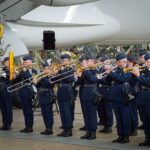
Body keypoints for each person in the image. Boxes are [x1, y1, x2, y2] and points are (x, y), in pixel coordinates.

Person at [104, 53, 132, 143]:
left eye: (119, 61)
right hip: (115, 96)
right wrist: (105, 74)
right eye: (117, 61)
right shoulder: (115, 70)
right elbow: (108, 81)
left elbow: (122, 79)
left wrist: (110, 73)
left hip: (123, 96)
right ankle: (120, 135)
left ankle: (126, 136)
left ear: (125, 61)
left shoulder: (128, 69)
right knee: (119, 118)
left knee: (125, 117)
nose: (118, 63)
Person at [75, 55, 99, 140]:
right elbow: (79, 83)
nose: (86, 63)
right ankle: (88, 131)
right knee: (86, 114)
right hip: (84, 93)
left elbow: (93, 79)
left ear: (92, 62)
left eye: (88, 61)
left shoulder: (95, 70)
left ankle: (93, 132)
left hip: (91, 93)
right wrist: (77, 77)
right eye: (86, 61)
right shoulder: (84, 71)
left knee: (92, 114)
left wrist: (86, 70)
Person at [14, 56, 37, 133]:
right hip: (21, 92)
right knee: (24, 111)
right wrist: (14, 75)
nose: (24, 64)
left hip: (28, 92)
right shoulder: (22, 71)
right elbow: (16, 81)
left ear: (30, 62)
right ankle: (27, 126)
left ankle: (30, 126)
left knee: (29, 110)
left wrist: (25, 71)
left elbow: (31, 80)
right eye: (23, 62)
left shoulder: (33, 71)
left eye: (26, 62)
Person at [131, 54, 150, 147]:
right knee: (145, 119)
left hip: (148, 96)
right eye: (146, 62)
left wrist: (138, 75)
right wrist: (135, 73)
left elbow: (148, 82)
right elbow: (136, 81)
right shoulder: (144, 70)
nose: (147, 63)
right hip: (142, 96)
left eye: (149, 62)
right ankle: (147, 138)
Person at [56, 54, 75, 137]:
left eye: (65, 61)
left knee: (67, 112)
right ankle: (64, 129)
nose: (63, 62)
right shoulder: (60, 70)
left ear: (69, 61)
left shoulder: (72, 70)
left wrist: (62, 71)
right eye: (62, 61)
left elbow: (69, 79)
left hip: (67, 91)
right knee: (62, 112)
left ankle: (69, 130)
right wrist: (54, 74)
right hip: (60, 92)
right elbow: (55, 81)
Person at [34, 62, 54, 135]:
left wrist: (44, 77)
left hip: (48, 95)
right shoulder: (43, 77)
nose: (45, 70)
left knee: (48, 113)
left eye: (47, 68)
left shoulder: (51, 76)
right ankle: (46, 127)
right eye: (44, 68)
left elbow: (50, 84)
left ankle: (50, 128)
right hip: (42, 96)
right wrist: (35, 82)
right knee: (44, 113)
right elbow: (38, 86)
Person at [98, 56, 113, 134]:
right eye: (103, 63)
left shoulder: (111, 70)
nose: (104, 64)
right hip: (101, 91)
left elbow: (109, 81)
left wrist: (101, 78)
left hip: (107, 91)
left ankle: (109, 126)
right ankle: (105, 126)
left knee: (108, 110)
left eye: (106, 63)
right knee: (102, 110)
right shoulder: (101, 69)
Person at [0, 57, 13, 130]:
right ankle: (4, 123)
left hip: (8, 91)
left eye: (7, 62)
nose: (6, 64)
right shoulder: (2, 70)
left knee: (8, 108)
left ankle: (9, 123)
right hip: (1, 91)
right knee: (3, 108)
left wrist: (6, 74)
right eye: (5, 62)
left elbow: (12, 79)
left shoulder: (12, 69)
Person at [127, 56, 138, 136]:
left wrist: (131, 72)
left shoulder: (135, 69)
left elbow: (135, 80)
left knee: (133, 111)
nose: (128, 63)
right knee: (129, 111)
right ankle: (130, 127)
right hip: (128, 91)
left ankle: (134, 128)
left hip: (133, 91)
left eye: (129, 62)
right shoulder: (128, 69)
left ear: (132, 62)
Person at [74, 56, 87, 131]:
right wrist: (76, 78)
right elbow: (79, 83)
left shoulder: (90, 70)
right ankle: (86, 124)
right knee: (84, 110)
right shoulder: (80, 70)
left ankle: (90, 127)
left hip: (89, 91)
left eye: (83, 62)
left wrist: (81, 75)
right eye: (81, 62)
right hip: (82, 91)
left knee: (89, 111)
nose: (82, 63)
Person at [137, 50, 148, 129]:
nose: (141, 59)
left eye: (142, 57)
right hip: (141, 93)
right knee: (143, 114)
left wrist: (138, 75)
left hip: (148, 94)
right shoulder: (141, 68)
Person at [96, 54, 104, 125]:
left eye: (101, 59)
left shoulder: (104, 68)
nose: (99, 61)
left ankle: (105, 122)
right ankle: (101, 119)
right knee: (99, 107)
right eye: (98, 60)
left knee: (105, 108)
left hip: (104, 89)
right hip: (98, 88)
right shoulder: (97, 67)